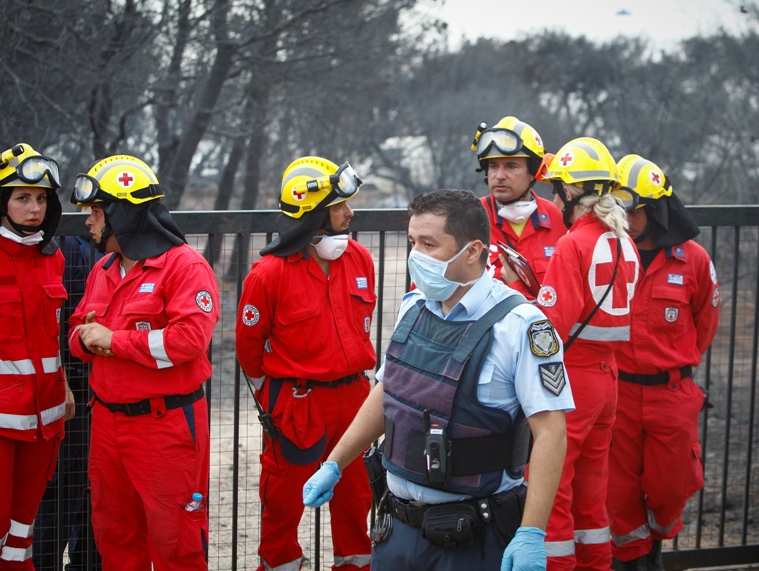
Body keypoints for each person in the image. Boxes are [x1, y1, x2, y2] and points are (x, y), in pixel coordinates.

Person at [303, 189, 573, 571]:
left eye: (429, 244)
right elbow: (388, 392)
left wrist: (532, 532)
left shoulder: (521, 326)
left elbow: (550, 433)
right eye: (413, 242)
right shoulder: (414, 306)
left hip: (472, 536)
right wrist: (334, 463)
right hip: (396, 529)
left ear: (473, 251)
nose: (416, 256)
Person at [67, 155, 219, 571]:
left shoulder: (185, 266)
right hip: (108, 427)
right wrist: (87, 339)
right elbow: (77, 331)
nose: (89, 222)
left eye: (96, 212)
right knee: (114, 536)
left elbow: (189, 340)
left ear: (124, 214)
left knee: (176, 542)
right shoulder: (104, 268)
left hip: (165, 428)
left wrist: (113, 341)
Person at [235, 156, 376, 571]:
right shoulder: (268, 274)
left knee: (356, 500)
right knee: (282, 503)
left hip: (355, 401)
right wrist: (276, 393)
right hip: (296, 405)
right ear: (311, 213)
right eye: (338, 206)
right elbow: (249, 349)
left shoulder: (361, 260)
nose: (349, 213)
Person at [0, 143, 73, 569]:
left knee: (20, 531)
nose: (34, 209)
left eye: (41, 199)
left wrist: (63, 387)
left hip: (45, 423)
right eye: (23, 198)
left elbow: (51, 339)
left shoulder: (53, 257)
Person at [606, 155, 720, 571]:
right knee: (617, 493)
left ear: (656, 210)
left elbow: (705, 323)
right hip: (617, 393)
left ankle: (657, 539)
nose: (626, 219)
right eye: (619, 209)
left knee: (670, 486)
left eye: (633, 210)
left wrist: (673, 365)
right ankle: (635, 561)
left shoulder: (694, 260)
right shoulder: (609, 252)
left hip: (671, 394)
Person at [535, 137, 640, 571]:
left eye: (557, 188)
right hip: (607, 379)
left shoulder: (572, 244)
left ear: (571, 194)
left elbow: (549, 327)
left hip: (571, 380)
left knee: (552, 486)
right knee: (592, 493)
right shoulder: (624, 243)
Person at [33, 234, 103, 571]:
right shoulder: (61, 247)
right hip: (67, 388)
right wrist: (61, 377)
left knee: (92, 492)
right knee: (61, 490)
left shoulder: (108, 252)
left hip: (98, 389)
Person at [471, 116, 565, 299]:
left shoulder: (554, 217)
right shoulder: (470, 218)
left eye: (511, 166)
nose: (499, 175)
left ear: (533, 172)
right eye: (493, 166)